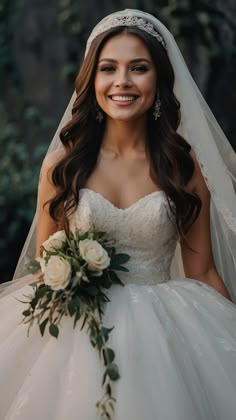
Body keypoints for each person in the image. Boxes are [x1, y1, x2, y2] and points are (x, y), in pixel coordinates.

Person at [0, 8, 236, 420]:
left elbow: (201, 272)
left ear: (159, 78)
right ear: (92, 80)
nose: (122, 81)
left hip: (167, 336)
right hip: (77, 331)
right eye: (108, 68)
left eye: (138, 68)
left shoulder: (182, 167)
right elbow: (44, 266)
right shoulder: (62, 167)